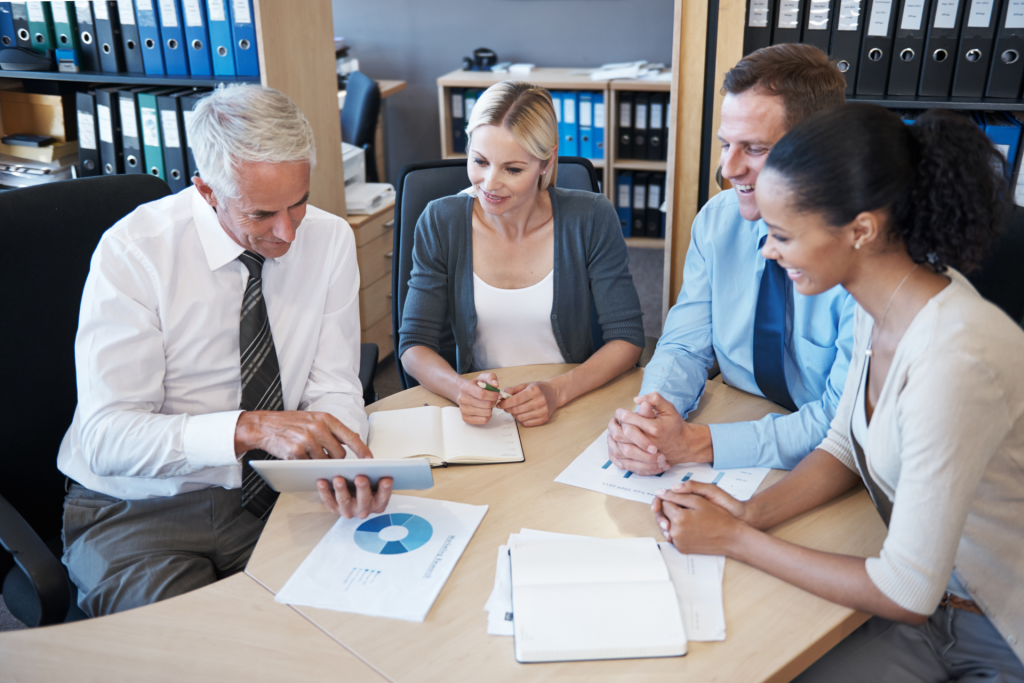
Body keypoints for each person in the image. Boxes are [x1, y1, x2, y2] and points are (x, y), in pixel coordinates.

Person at [655, 105, 1024, 680]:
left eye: (782, 235)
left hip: (997, 630)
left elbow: (905, 590)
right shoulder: (879, 304)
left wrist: (735, 539)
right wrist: (751, 512)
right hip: (930, 611)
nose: (768, 250)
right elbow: (844, 443)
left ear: (861, 230)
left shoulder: (954, 360)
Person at [58, 84, 392, 617]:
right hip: (142, 506)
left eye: (299, 203)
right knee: (194, 646)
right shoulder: (134, 253)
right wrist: (250, 429)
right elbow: (105, 437)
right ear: (207, 190)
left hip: (275, 491)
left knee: (358, 615)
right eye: (262, 214)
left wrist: (342, 465)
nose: (287, 232)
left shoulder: (329, 239)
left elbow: (332, 385)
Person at [608, 44, 855, 475]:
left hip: (824, 465)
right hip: (738, 421)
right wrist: (654, 413)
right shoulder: (718, 220)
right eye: (725, 144)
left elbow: (842, 422)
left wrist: (699, 443)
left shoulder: (861, 255)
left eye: (754, 149)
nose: (728, 168)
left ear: (818, 151)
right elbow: (685, 344)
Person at [399, 80, 645, 427]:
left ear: (547, 162)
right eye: (480, 161)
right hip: (487, 416)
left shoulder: (590, 217)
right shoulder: (441, 221)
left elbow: (627, 338)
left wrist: (557, 391)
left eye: (512, 169)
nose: (489, 183)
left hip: (571, 402)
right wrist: (460, 390)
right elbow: (413, 344)